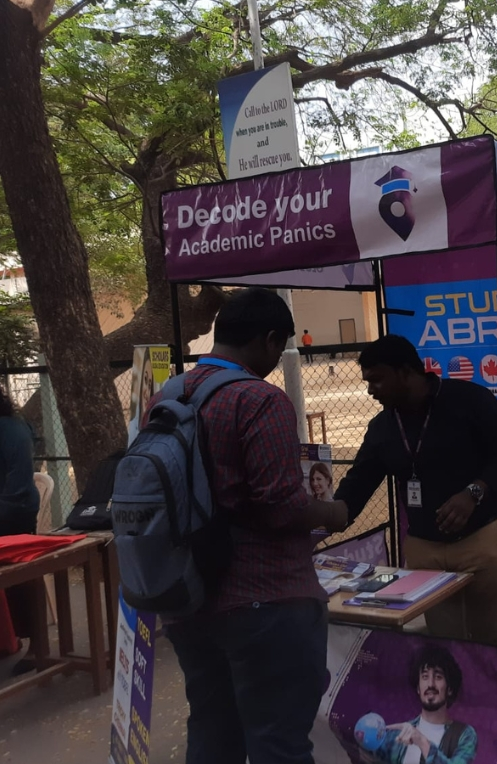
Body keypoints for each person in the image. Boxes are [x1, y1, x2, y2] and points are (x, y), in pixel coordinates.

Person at [155, 288, 349, 764]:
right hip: (265, 602)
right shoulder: (260, 400)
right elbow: (281, 506)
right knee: (278, 743)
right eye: (280, 347)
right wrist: (332, 513)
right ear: (269, 339)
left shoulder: (169, 396)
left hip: (188, 598)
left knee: (212, 733)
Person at [333, 335, 497, 644]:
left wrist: (473, 492)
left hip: (481, 540)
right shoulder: (383, 426)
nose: (370, 390)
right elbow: (358, 483)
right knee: (444, 645)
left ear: (406, 372)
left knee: (495, 640)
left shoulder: (470, 400)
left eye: (377, 380)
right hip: (423, 549)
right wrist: (328, 517)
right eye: (368, 382)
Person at [0, 376, 40, 668]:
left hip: (12, 516)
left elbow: (19, 481)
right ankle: (1, 639)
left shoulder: (10, 427)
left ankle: (37, 646)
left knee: (19, 580)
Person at [359, 645, 477, 764]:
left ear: (450, 688)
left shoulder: (464, 734)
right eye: (425, 677)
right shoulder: (396, 735)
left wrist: (422, 741)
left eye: (438, 677)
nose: (430, 684)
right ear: (418, 688)